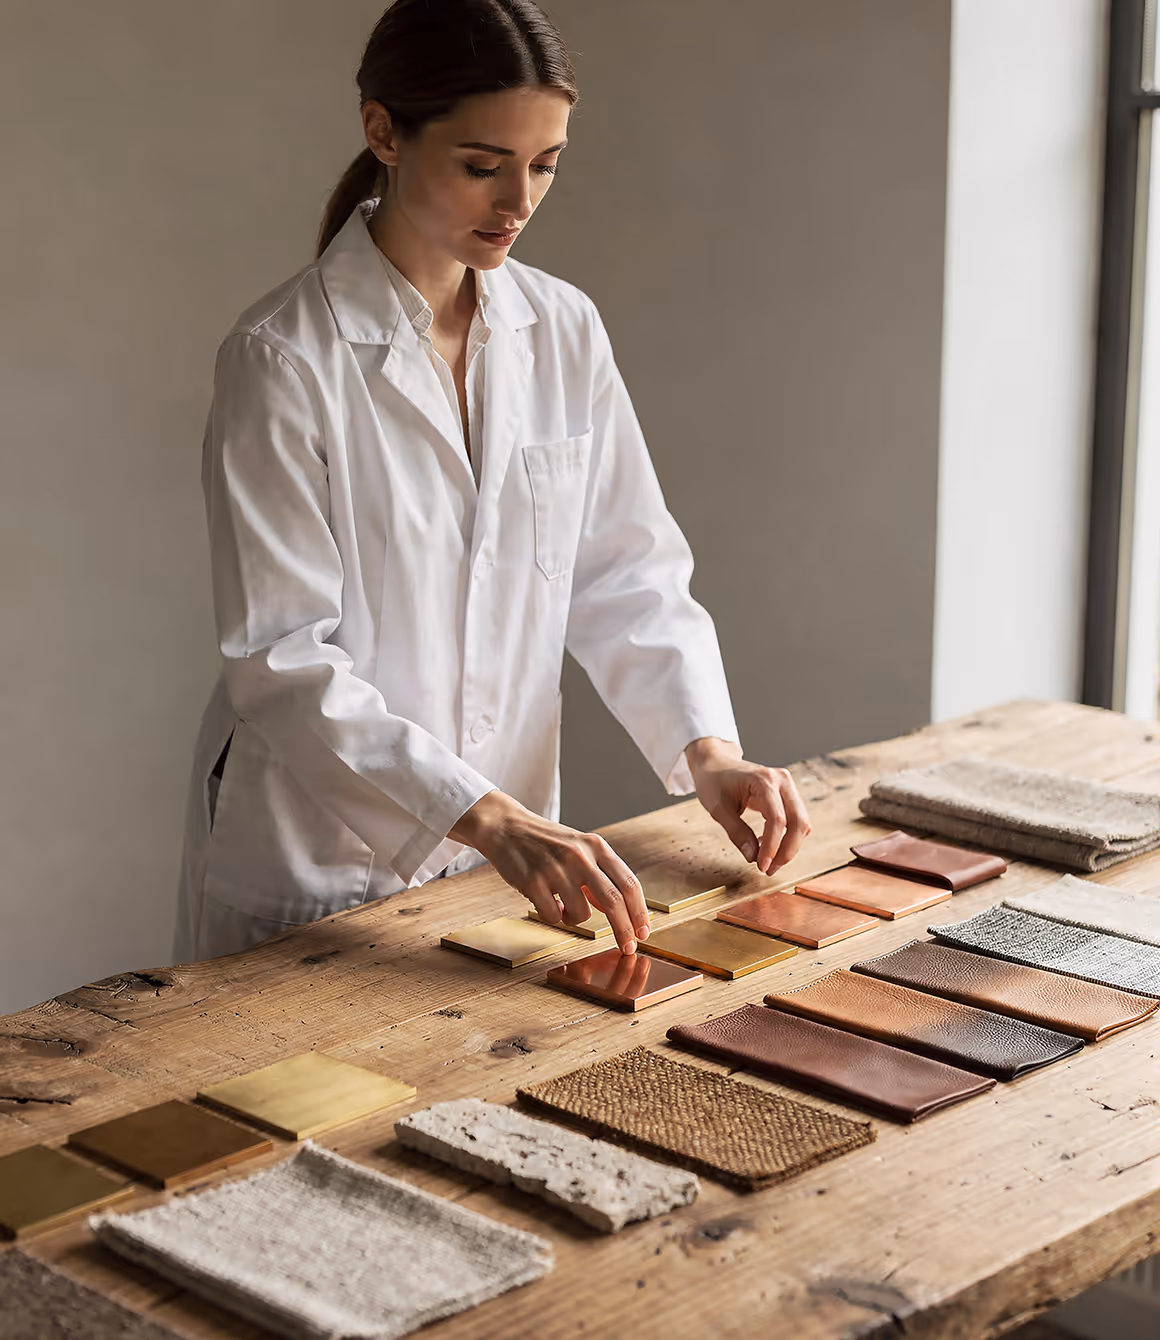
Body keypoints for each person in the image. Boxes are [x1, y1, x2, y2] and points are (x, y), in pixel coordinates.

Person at [175, 0, 810, 964]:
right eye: (483, 165)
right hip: (318, 861)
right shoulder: (282, 358)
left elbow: (622, 569)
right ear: (384, 131)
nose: (518, 201)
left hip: (502, 856)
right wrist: (486, 815)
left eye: (545, 164)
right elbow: (282, 658)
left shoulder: (563, 328)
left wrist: (707, 751)